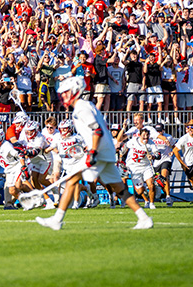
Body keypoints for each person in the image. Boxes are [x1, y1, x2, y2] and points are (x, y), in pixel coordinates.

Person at [36, 76, 153, 230]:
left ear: (74, 91)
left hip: (99, 151)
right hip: (105, 151)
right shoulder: (85, 106)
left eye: (65, 93)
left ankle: (57, 220)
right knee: (119, 187)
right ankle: (144, 218)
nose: (63, 96)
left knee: (71, 181)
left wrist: (92, 152)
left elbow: (96, 129)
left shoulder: (81, 107)